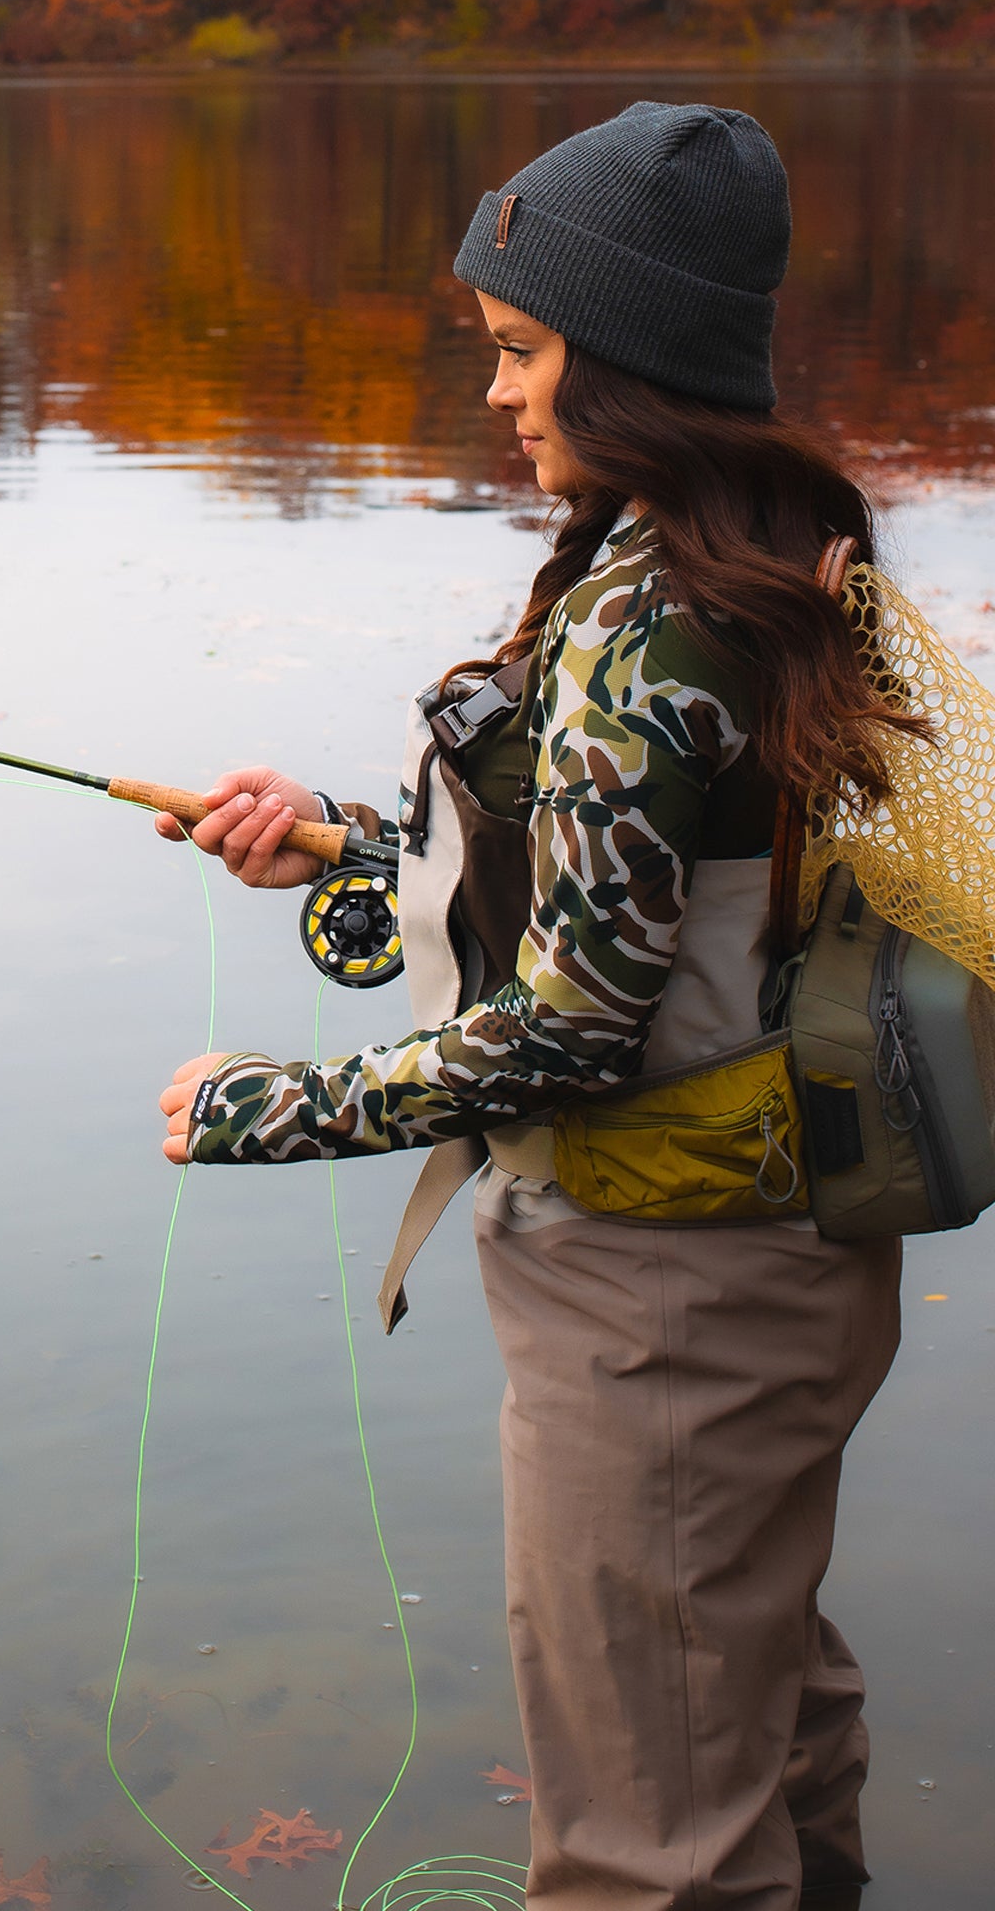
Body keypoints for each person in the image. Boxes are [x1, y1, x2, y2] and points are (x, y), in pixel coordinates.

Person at [155, 102, 907, 1911]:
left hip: (669, 1301)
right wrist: (343, 840)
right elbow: (655, 889)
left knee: (650, 1841)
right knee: (756, 1704)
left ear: (631, 360)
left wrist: (274, 1106)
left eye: (521, 351)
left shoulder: (654, 625)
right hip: (782, 1260)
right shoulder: (759, 551)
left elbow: (575, 1026)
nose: (497, 395)